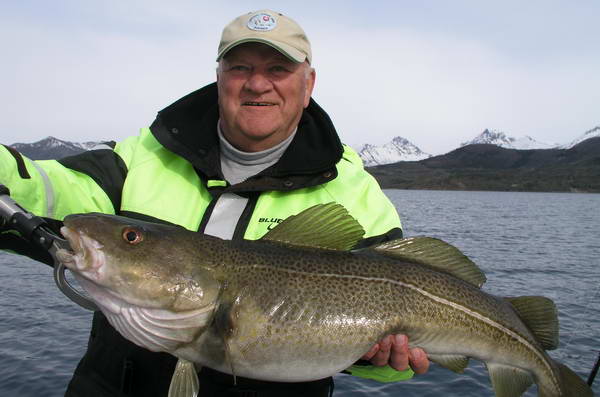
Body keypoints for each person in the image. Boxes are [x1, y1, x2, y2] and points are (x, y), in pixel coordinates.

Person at [0, 9, 429, 397]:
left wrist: (379, 362)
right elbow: (41, 186)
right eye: (240, 67)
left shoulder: (357, 195)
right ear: (219, 75)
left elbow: (398, 366)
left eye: (277, 69)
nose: (257, 83)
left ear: (308, 83)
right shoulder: (141, 158)